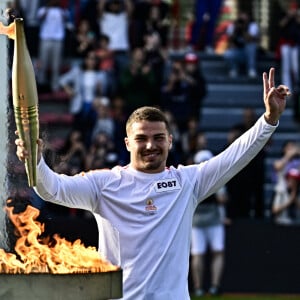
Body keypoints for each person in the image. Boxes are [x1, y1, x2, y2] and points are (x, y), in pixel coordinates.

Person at [16, 68, 289, 299]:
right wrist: (36, 161)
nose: (150, 145)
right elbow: (52, 189)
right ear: (127, 143)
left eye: (159, 138)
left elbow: (234, 157)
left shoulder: (186, 182)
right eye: (141, 138)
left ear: (170, 140)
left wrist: (269, 120)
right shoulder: (104, 184)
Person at [191, 149, 227, 297]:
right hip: (197, 221)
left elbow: (222, 200)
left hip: (212, 220)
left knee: (215, 252)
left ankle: (212, 287)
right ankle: (200, 287)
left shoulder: (217, 178)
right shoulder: (191, 178)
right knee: (199, 254)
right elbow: (222, 199)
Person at [271, 140, 300, 225]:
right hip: (281, 190)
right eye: (288, 148)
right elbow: (278, 167)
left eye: (292, 148)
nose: (291, 150)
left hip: (296, 190)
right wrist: (288, 156)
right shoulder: (280, 161)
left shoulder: (298, 162)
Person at [224, 12, 260, 78]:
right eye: (241, 19)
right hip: (238, 52)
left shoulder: (252, 25)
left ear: (248, 18)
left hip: (248, 53)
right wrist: (236, 29)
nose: (242, 22)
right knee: (228, 54)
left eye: (244, 20)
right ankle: (233, 69)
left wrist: (243, 29)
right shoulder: (233, 26)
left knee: (251, 46)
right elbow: (229, 40)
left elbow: (250, 39)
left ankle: (251, 69)